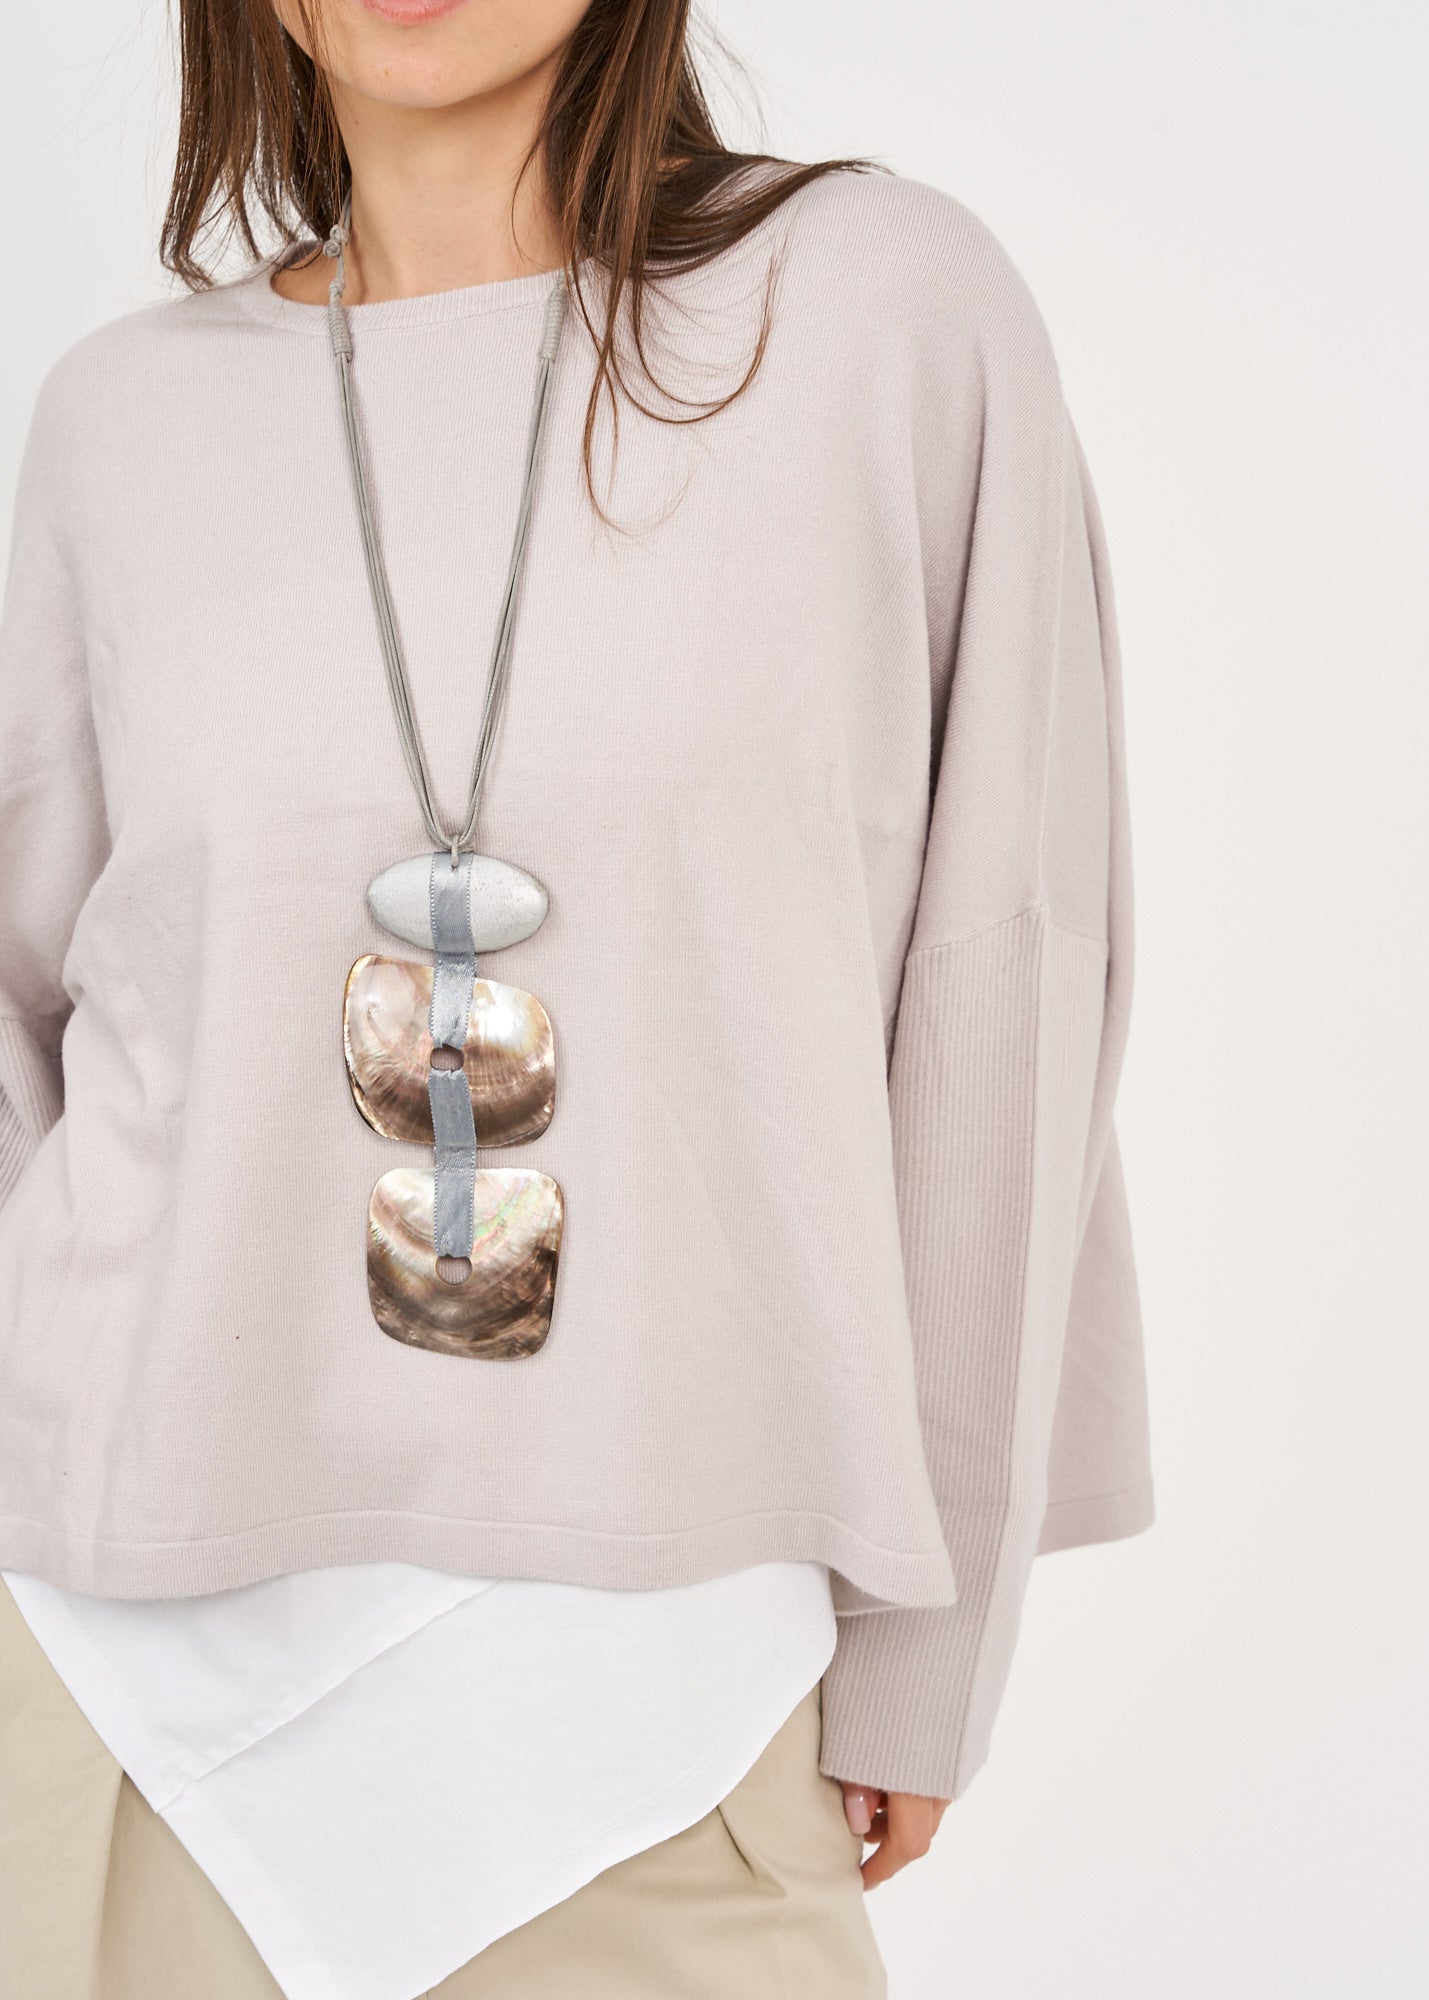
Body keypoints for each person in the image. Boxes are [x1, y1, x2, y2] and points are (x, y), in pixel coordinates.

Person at [0, 1, 1152, 1994]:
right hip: (109, 1671)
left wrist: (929, 1632)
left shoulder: (882, 314)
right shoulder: (122, 419)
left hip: (655, 1699)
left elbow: (1005, 982)